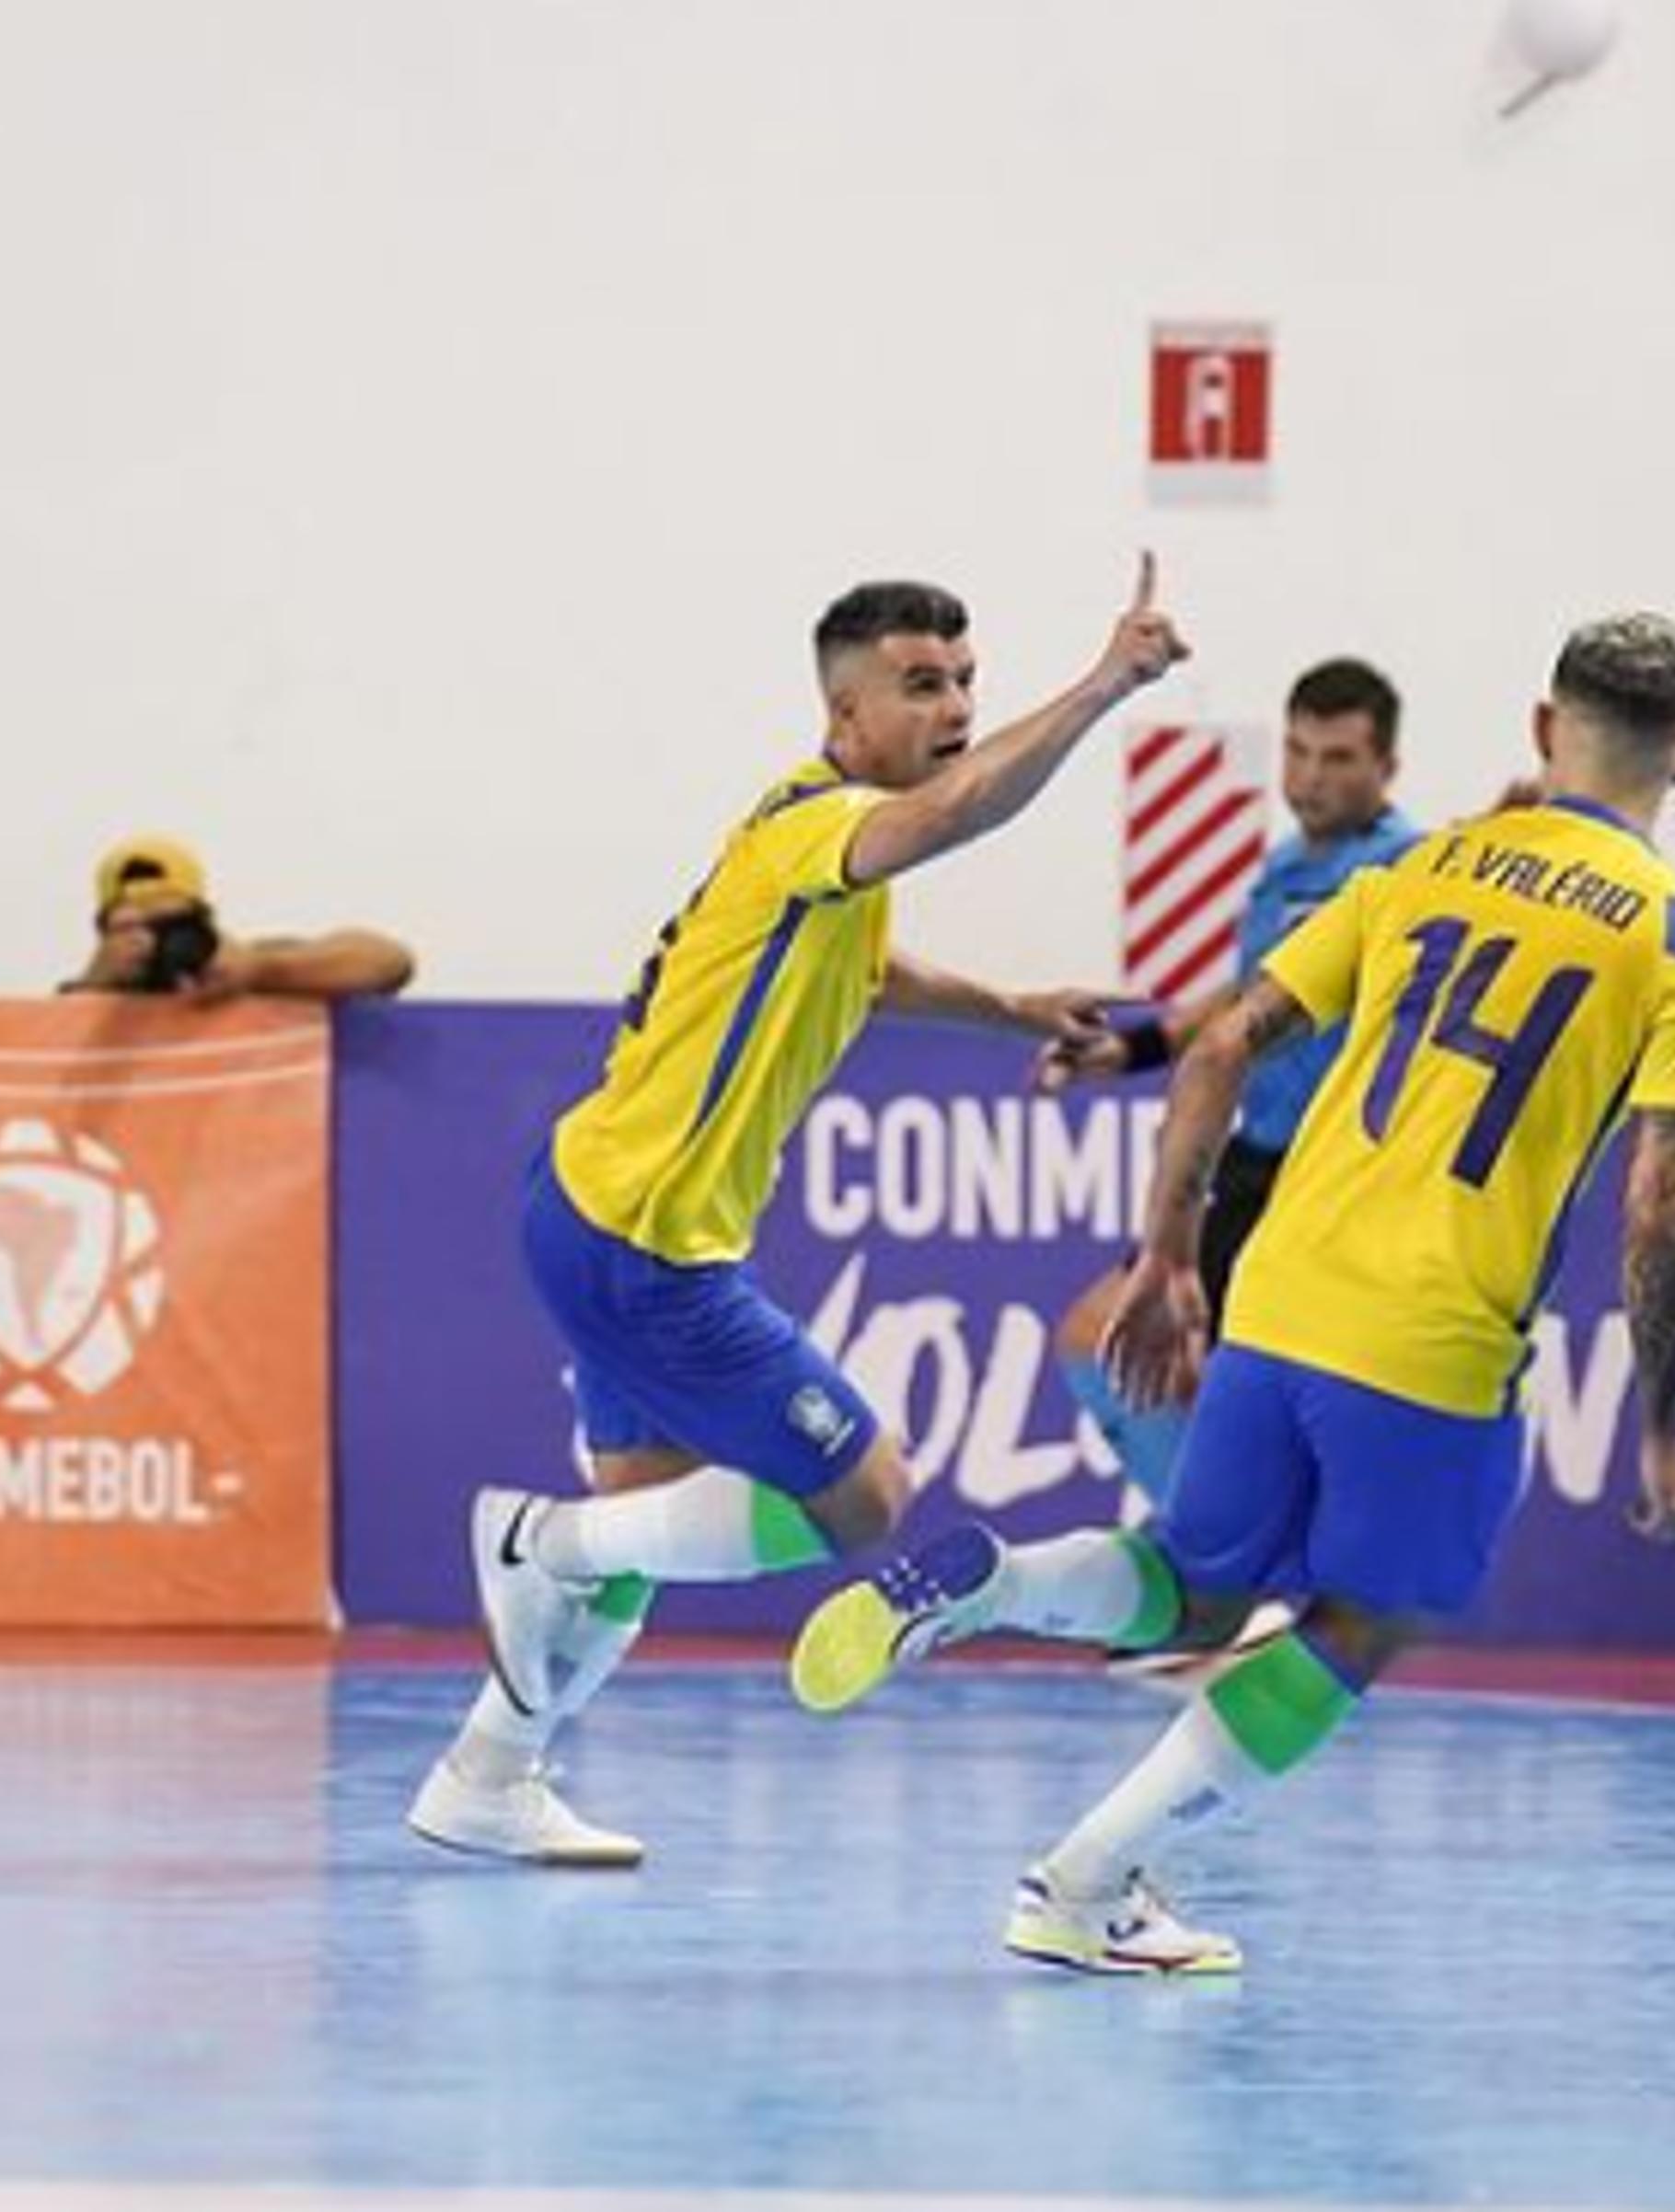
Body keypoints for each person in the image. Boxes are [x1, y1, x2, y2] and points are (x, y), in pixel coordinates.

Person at [790, 614, 1675, 1976]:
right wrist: (1662, 1424)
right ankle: (1083, 1881)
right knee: (1364, 1621)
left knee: (1190, 1586)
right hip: (1432, 1336)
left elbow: (1222, 1041)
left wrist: (1172, 1258)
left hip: (1281, 1291)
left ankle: (990, 1579)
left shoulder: (1414, 874)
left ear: (1543, 731)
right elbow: (1666, 1198)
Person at [421, 567, 1184, 1867]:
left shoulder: (811, 846)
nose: (951, 708)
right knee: (865, 1499)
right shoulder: (819, 823)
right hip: (645, 1246)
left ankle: (486, 1774)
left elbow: (866, 972)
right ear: (845, 712)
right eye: (921, 686)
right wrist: (1105, 685)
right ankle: (527, 1537)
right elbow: (960, 809)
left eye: (963, 682)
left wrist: (1009, 1009)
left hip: (595, 1209)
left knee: (639, 1542)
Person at [1042, 659, 1420, 1517]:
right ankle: (1217, 1566)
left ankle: (1240, 1574)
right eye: (1298, 752)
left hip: (1337, 1182)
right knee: (1096, 1338)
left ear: (1385, 769)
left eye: (1338, 758)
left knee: (1249, 1388)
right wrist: (1126, 1050)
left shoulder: (1409, 872)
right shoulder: (1282, 868)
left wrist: (1521, 827)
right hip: (1252, 1165)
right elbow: (1242, 997)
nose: (1310, 777)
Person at [66, 835, 416, 1000]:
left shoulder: (250, 968)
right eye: (132, 928)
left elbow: (390, 962)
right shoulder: (83, 1011)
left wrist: (262, 970)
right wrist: (95, 988)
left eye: (175, 926)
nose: (159, 943)